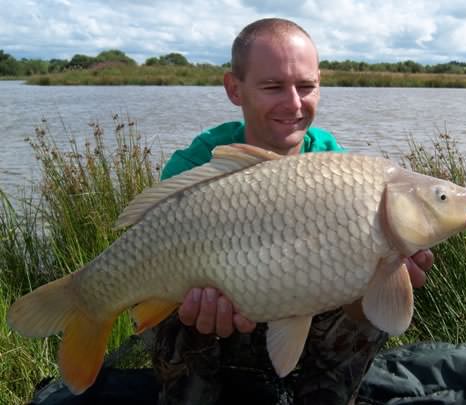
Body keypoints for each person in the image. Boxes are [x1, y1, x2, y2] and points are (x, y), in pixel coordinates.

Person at [153, 18, 434, 405]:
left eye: (306, 86)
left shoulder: (335, 166)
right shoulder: (195, 166)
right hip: (216, 314)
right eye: (273, 87)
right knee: (177, 315)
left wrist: (382, 276)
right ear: (234, 89)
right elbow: (142, 294)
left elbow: (353, 298)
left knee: (374, 297)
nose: (294, 103)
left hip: (299, 307)